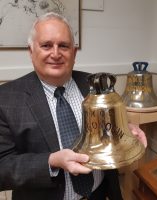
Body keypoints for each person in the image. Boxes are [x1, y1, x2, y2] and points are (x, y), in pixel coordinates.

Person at [0, 12, 147, 200]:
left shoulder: (96, 84)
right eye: (46, 45)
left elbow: (107, 132)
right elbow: (2, 167)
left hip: (99, 194)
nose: (55, 53)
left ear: (74, 53)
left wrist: (124, 131)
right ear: (31, 51)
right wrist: (51, 162)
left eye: (63, 46)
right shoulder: (6, 98)